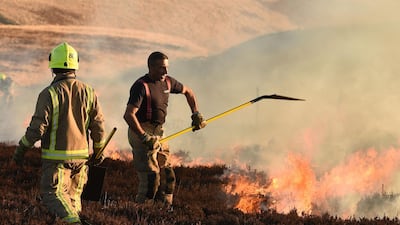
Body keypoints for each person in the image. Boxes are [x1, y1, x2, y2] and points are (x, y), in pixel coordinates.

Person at [12, 42, 106, 224]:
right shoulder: (89, 91)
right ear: (75, 65)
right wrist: (99, 150)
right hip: (81, 159)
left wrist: (21, 150)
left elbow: (37, 129)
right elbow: (98, 124)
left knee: (52, 194)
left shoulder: (49, 93)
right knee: (72, 200)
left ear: (53, 66)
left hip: (57, 161)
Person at [123, 51, 206, 206]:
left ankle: (165, 212)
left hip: (160, 132)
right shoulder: (141, 86)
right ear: (151, 67)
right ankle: (141, 212)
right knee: (150, 179)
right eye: (162, 68)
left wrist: (195, 114)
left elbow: (189, 91)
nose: (166, 72)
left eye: (166, 68)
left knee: (168, 176)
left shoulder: (168, 82)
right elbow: (128, 115)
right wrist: (143, 137)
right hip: (140, 130)